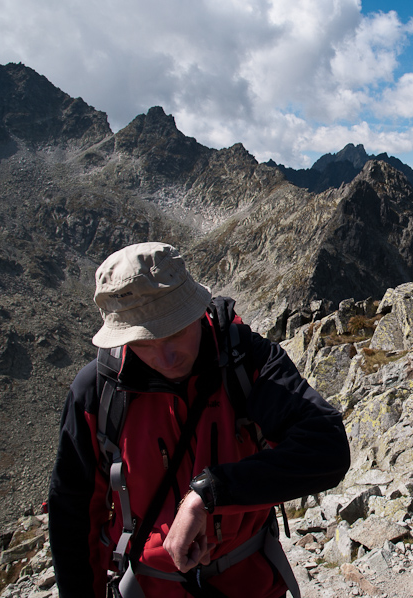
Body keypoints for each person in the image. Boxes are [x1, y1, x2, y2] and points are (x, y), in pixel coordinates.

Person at [48, 242, 351, 597]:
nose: (166, 356)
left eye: (174, 331)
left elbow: (327, 448)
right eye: (144, 342)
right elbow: (72, 514)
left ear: (195, 310)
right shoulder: (97, 392)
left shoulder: (245, 358)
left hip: (249, 585)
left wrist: (208, 494)